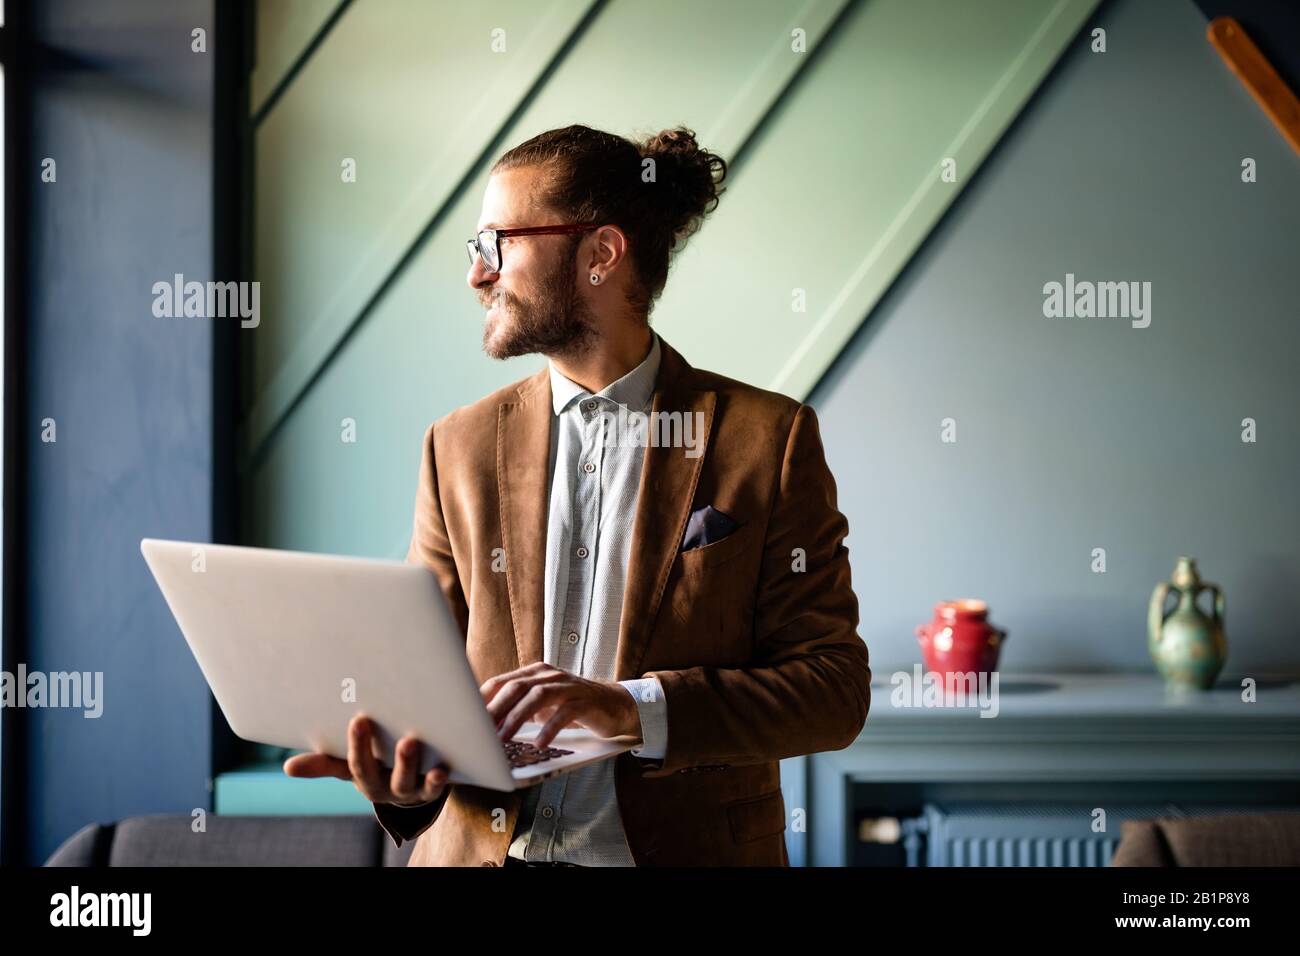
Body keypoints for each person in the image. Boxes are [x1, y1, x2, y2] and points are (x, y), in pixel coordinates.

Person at [284, 124, 871, 866]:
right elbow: (421, 682)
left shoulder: (768, 439)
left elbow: (833, 689)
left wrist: (631, 708)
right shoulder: (455, 448)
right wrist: (402, 782)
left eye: (499, 242)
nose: (477, 274)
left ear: (600, 254)